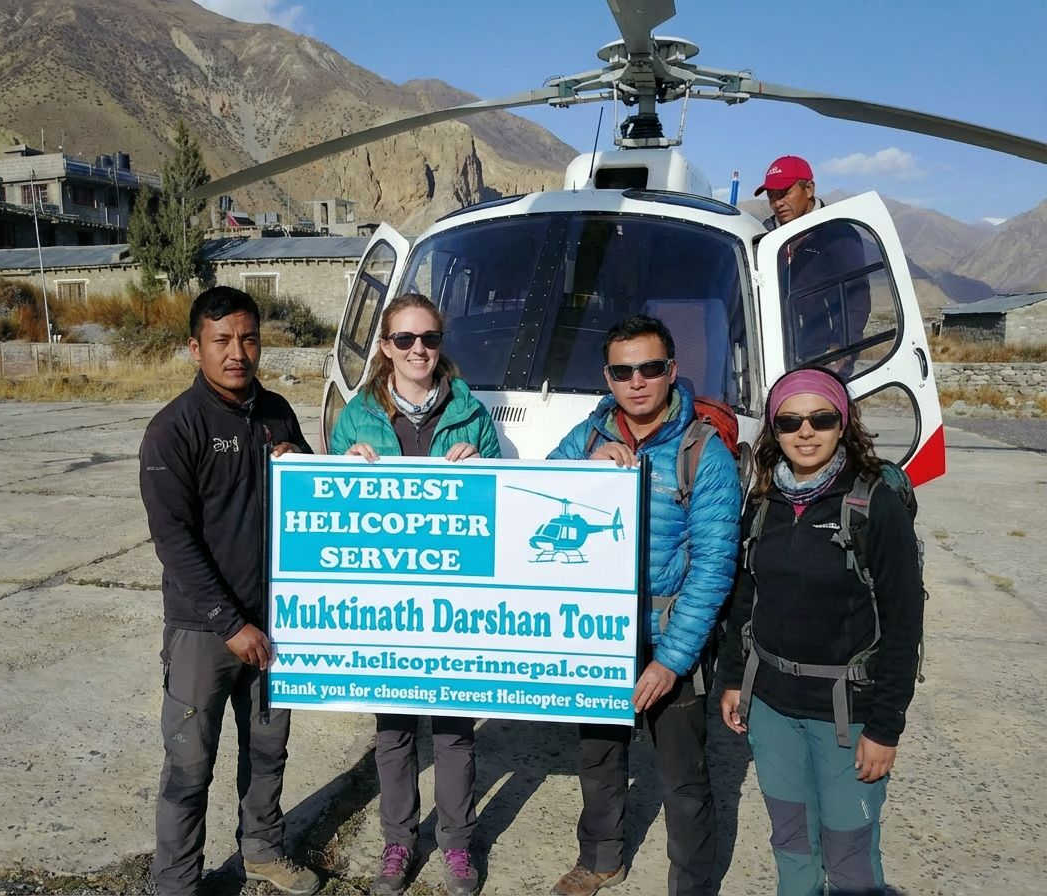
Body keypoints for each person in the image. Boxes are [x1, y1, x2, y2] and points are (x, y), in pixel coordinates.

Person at [546, 315, 742, 896]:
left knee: (684, 774)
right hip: (600, 636)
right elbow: (530, 497)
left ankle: (692, 881)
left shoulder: (702, 453)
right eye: (624, 371)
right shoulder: (585, 439)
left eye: (651, 368)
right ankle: (601, 858)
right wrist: (585, 470)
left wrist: (672, 661)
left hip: (668, 634)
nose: (638, 382)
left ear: (672, 371)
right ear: (607, 377)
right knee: (599, 757)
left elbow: (713, 568)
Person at [139, 286, 320, 896]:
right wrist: (229, 623)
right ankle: (177, 882)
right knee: (189, 765)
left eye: (247, 338)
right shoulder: (173, 429)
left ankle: (263, 852)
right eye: (221, 341)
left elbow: (318, 502)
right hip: (203, 630)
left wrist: (302, 461)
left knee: (269, 752)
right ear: (196, 348)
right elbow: (174, 539)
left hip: (277, 623)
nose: (237, 352)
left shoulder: (276, 414)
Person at [718, 366, 923, 896]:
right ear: (774, 429)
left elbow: (904, 625)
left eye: (821, 418)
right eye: (789, 421)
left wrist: (885, 729)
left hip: (847, 715)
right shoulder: (763, 501)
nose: (805, 432)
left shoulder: (873, 502)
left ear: (843, 423)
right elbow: (746, 595)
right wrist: (735, 679)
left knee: (850, 856)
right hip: (773, 708)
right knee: (790, 842)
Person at [329, 292, 501, 896]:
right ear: (385, 347)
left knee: (455, 729)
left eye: (428, 338)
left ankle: (457, 843)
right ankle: (399, 841)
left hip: (456, 601)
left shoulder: (470, 411)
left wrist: (483, 462)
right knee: (394, 728)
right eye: (404, 340)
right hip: (387, 603)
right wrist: (340, 467)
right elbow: (328, 504)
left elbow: (502, 496)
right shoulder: (355, 415)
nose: (418, 350)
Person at [755, 155, 870, 367]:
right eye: (772, 196)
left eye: (785, 193)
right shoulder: (765, 237)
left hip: (825, 356)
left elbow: (857, 296)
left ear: (808, 189)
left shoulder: (837, 233)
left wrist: (843, 348)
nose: (778, 203)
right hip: (775, 356)